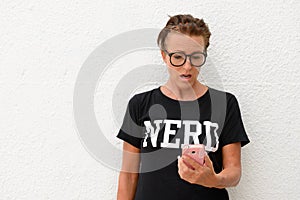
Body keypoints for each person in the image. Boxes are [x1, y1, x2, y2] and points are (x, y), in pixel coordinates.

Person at [116, 14, 250, 200]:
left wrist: (213, 179)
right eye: (178, 57)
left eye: (196, 57)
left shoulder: (225, 104)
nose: (187, 66)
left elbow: (234, 172)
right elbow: (128, 175)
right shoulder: (140, 104)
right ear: (164, 55)